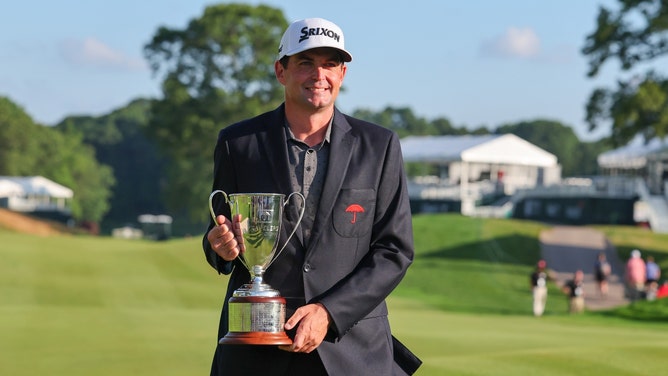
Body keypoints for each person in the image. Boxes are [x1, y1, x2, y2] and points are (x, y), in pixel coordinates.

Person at [203, 17, 420, 375]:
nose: (319, 75)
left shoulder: (379, 146)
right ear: (280, 71)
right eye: (305, 62)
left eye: (329, 64)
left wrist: (328, 312)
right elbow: (218, 238)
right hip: (255, 351)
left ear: (343, 74)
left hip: (351, 352)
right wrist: (219, 247)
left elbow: (394, 251)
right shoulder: (238, 144)